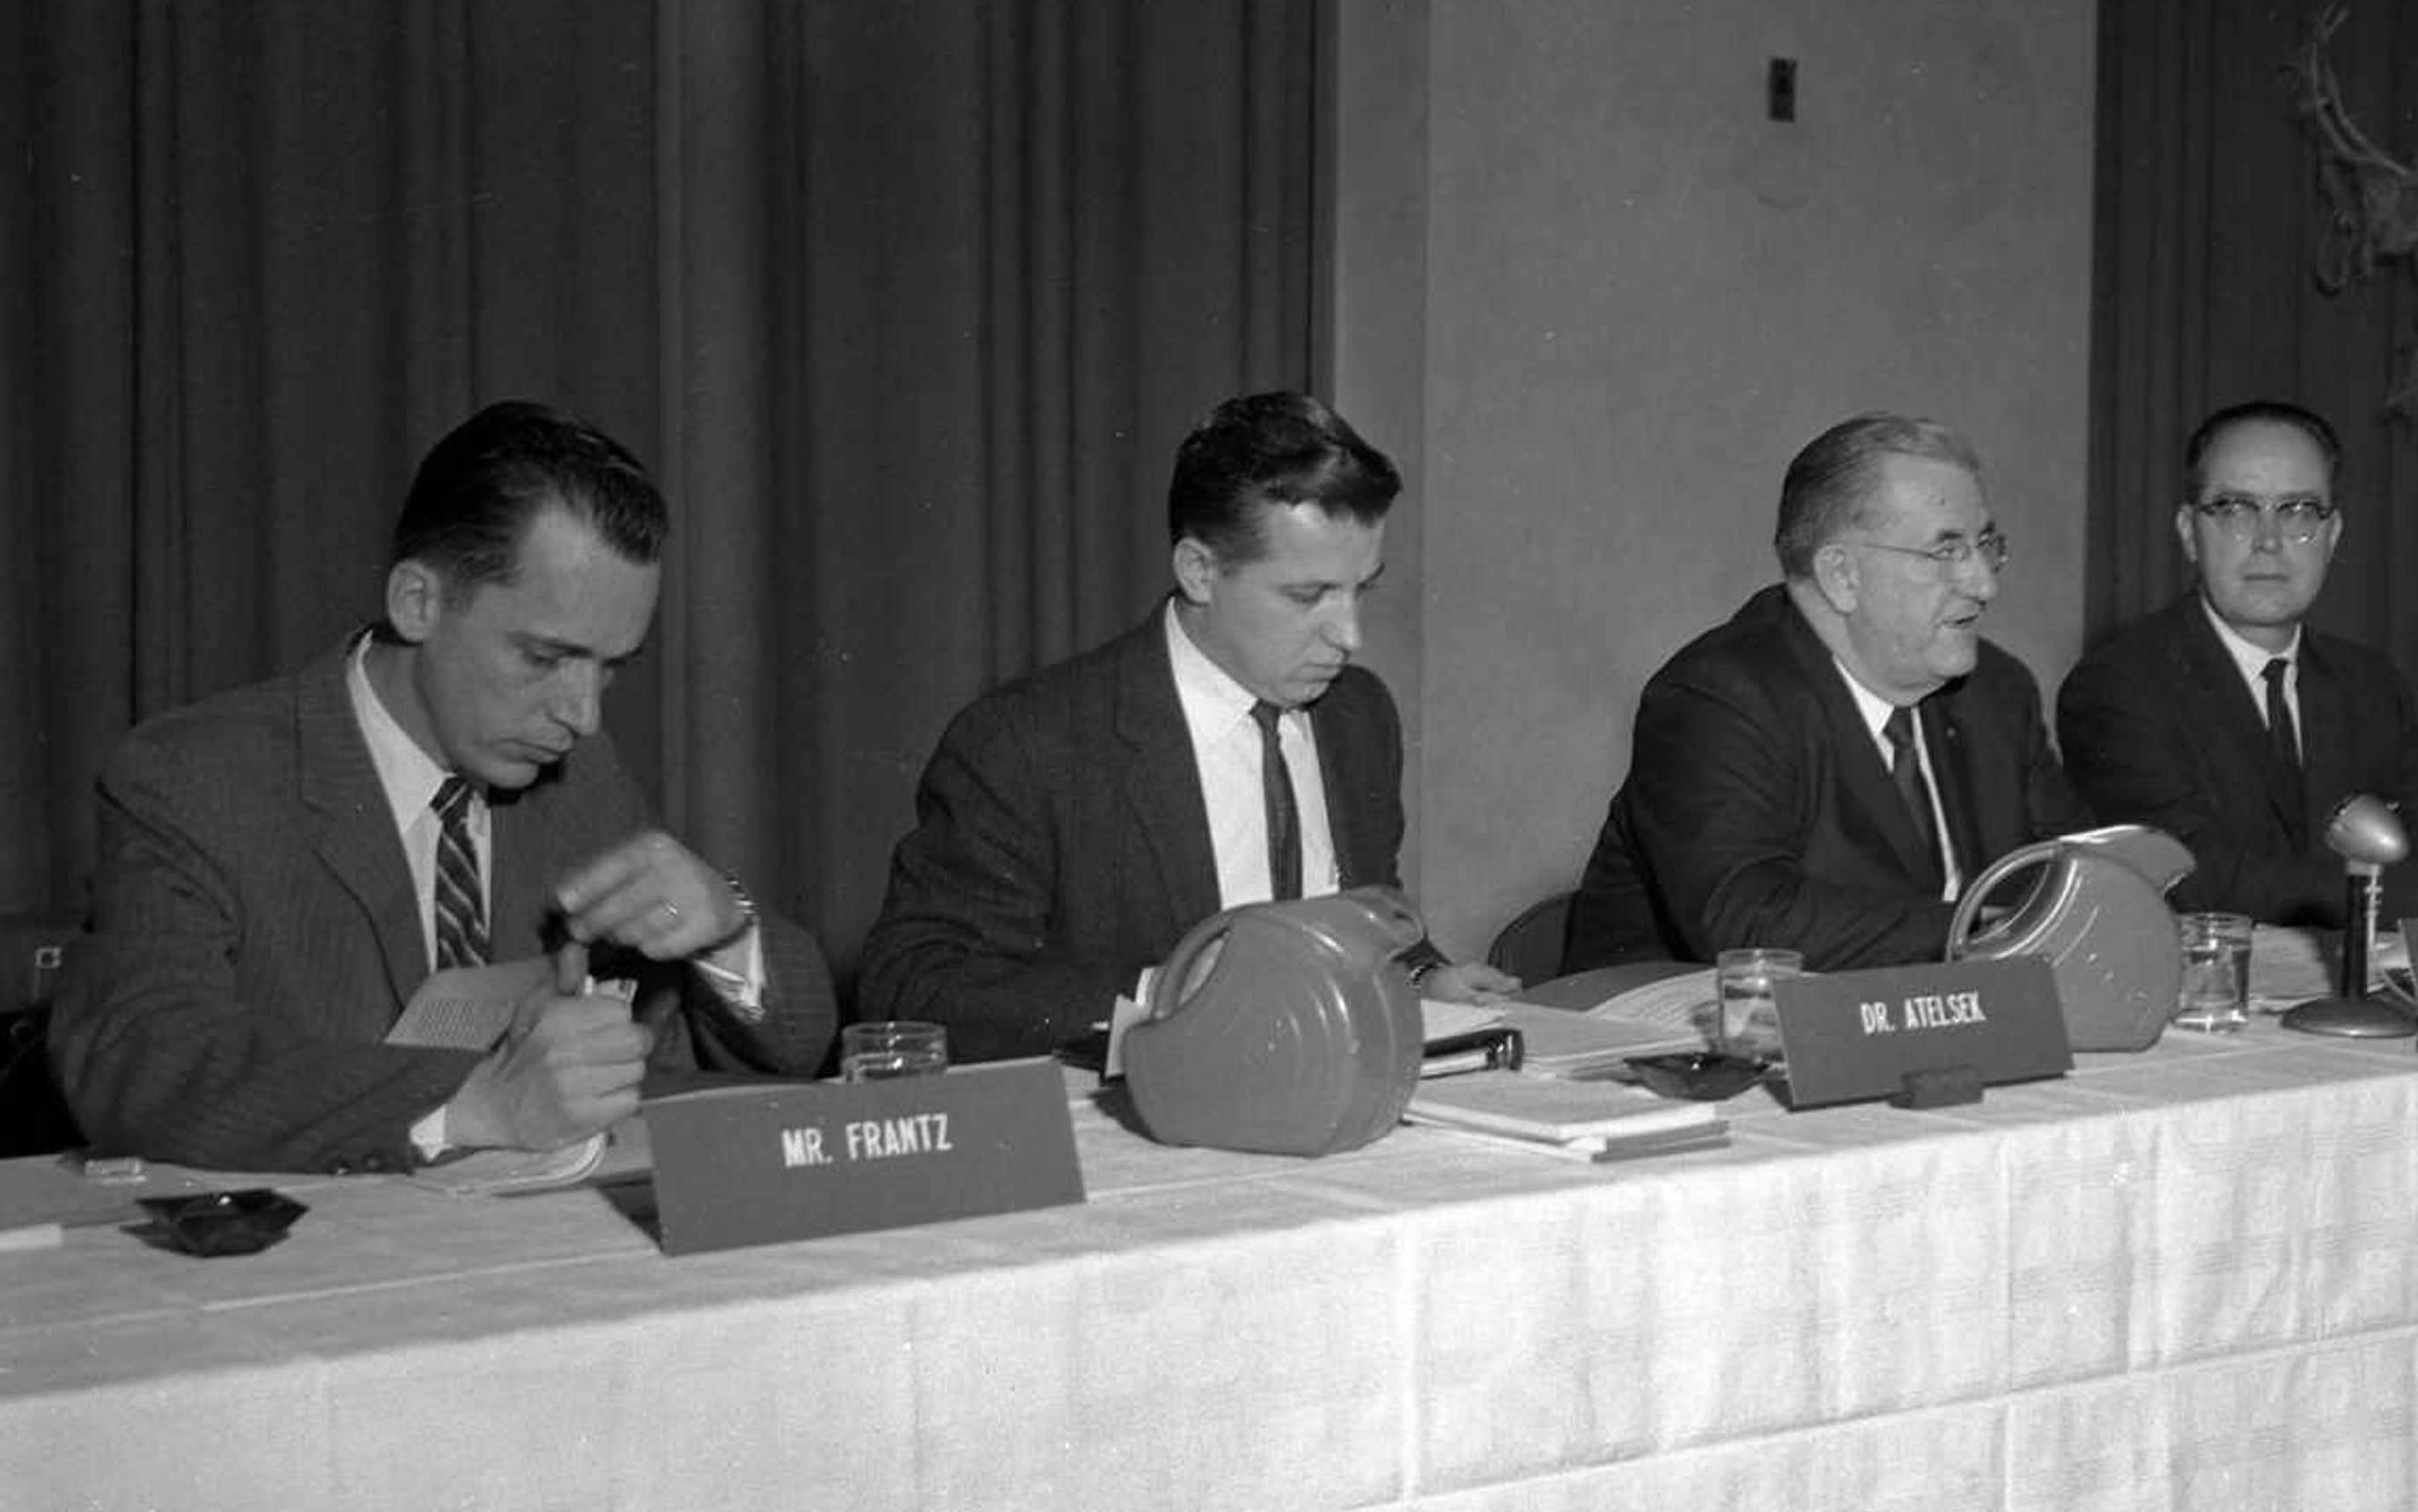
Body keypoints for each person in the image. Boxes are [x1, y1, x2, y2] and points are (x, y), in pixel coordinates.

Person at [52, 402, 838, 1172]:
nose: (584, 715)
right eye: (543, 657)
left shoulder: (576, 775)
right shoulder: (194, 776)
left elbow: (798, 1044)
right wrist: (477, 1104)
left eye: (610, 668)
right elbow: (139, 1065)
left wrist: (726, 933)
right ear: (418, 602)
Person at [859, 390, 1514, 1061]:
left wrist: (1422, 977)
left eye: (1362, 588)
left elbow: (1365, 912)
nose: (1350, 635)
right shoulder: (1025, 741)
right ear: (1199, 571)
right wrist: (1162, 993)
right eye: (1308, 595)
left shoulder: (1358, 717)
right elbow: (914, 985)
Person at [1563, 412, 2088, 972]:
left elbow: (2076, 874)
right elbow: (1746, 919)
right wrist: (1978, 931)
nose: (1985, 583)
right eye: (1946, 552)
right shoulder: (1718, 697)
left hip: (1925, 1028)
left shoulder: (1998, 692)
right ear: (1842, 576)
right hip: (1683, 1035)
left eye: (1986, 545)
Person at [2059, 401, 2418, 926]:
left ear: (2332, 536)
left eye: (2298, 511)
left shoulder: (2366, 681)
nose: (2269, 541)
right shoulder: (2119, 684)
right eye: (2236, 509)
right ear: (2187, 532)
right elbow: (2194, 876)